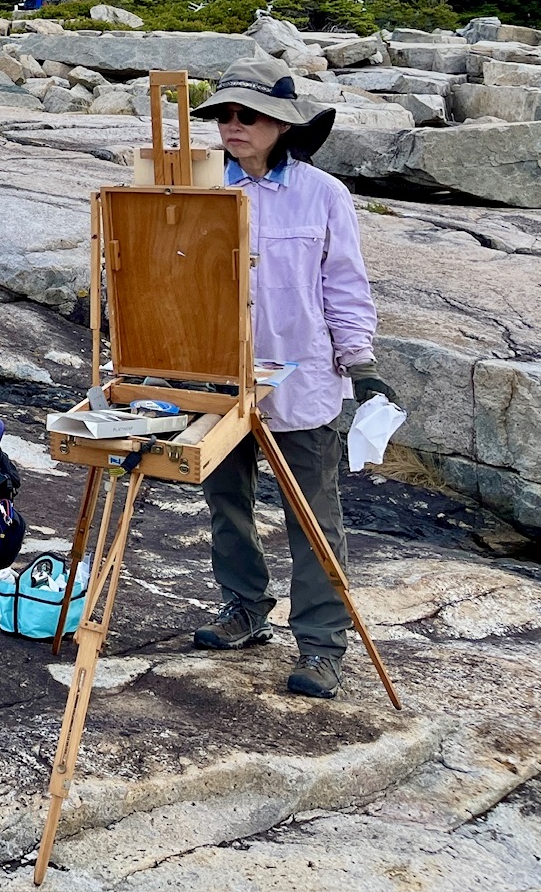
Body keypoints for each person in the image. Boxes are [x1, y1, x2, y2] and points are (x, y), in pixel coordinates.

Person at [188, 56, 387, 700]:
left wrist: (362, 363)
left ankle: (323, 646)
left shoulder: (323, 194)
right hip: (219, 375)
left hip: (301, 377)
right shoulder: (199, 190)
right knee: (226, 500)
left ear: (281, 124)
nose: (232, 126)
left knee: (313, 516)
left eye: (247, 115)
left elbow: (345, 284)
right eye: (223, 114)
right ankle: (244, 608)